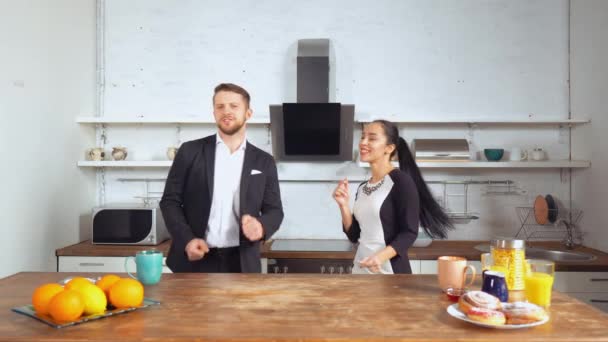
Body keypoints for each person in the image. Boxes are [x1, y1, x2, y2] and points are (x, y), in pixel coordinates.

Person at [160, 83, 284, 273]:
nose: (226, 111)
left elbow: (274, 210)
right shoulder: (189, 151)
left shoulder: (264, 161)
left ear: (248, 113)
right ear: (214, 113)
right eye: (220, 106)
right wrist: (187, 240)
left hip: (242, 263)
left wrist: (261, 226)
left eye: (234, 106)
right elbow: (170, 201)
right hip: (194, 260)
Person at [332, 120, 453, 274]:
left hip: (389, 274)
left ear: (389, 148)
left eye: (372, 138)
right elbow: (354, 235)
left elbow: (409, 232)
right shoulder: (363, 187)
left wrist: (379, 258)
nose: (363, 142)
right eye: (362, 137)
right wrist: (343, 205)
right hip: (360, 272)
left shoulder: (401, 182)